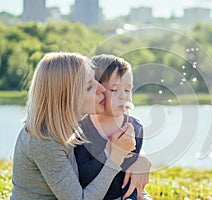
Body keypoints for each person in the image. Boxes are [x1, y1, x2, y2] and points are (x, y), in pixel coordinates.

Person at [10, 52, 136, 200]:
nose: (101, 88)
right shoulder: (45, 141)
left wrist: (140, 159)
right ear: (69, 97)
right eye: (90, 86)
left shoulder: (68, 128)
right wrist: (115, 158)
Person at [75, 54, 152, 200]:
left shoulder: (135, 127)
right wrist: (111, 151)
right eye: (115, 89)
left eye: (128, 90)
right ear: (97, 89)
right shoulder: (82, 129)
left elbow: (131, 177)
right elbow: (83, 176)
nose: (123, 96)